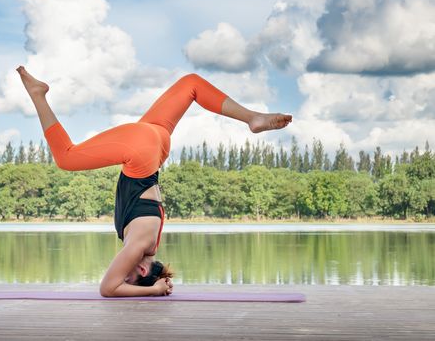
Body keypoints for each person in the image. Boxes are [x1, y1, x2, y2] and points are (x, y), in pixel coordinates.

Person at [17, 66, 292, 297]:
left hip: (156, 144)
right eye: (129, 277)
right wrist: (153, 290)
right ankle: (38, 95)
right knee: (66, 157)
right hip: (141, 151)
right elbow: (108, 289)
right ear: (141, 270)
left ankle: (252, 118)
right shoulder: (138, 246)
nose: (121, 273)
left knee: (191, 83)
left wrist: (158, 283)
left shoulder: (148, 239)